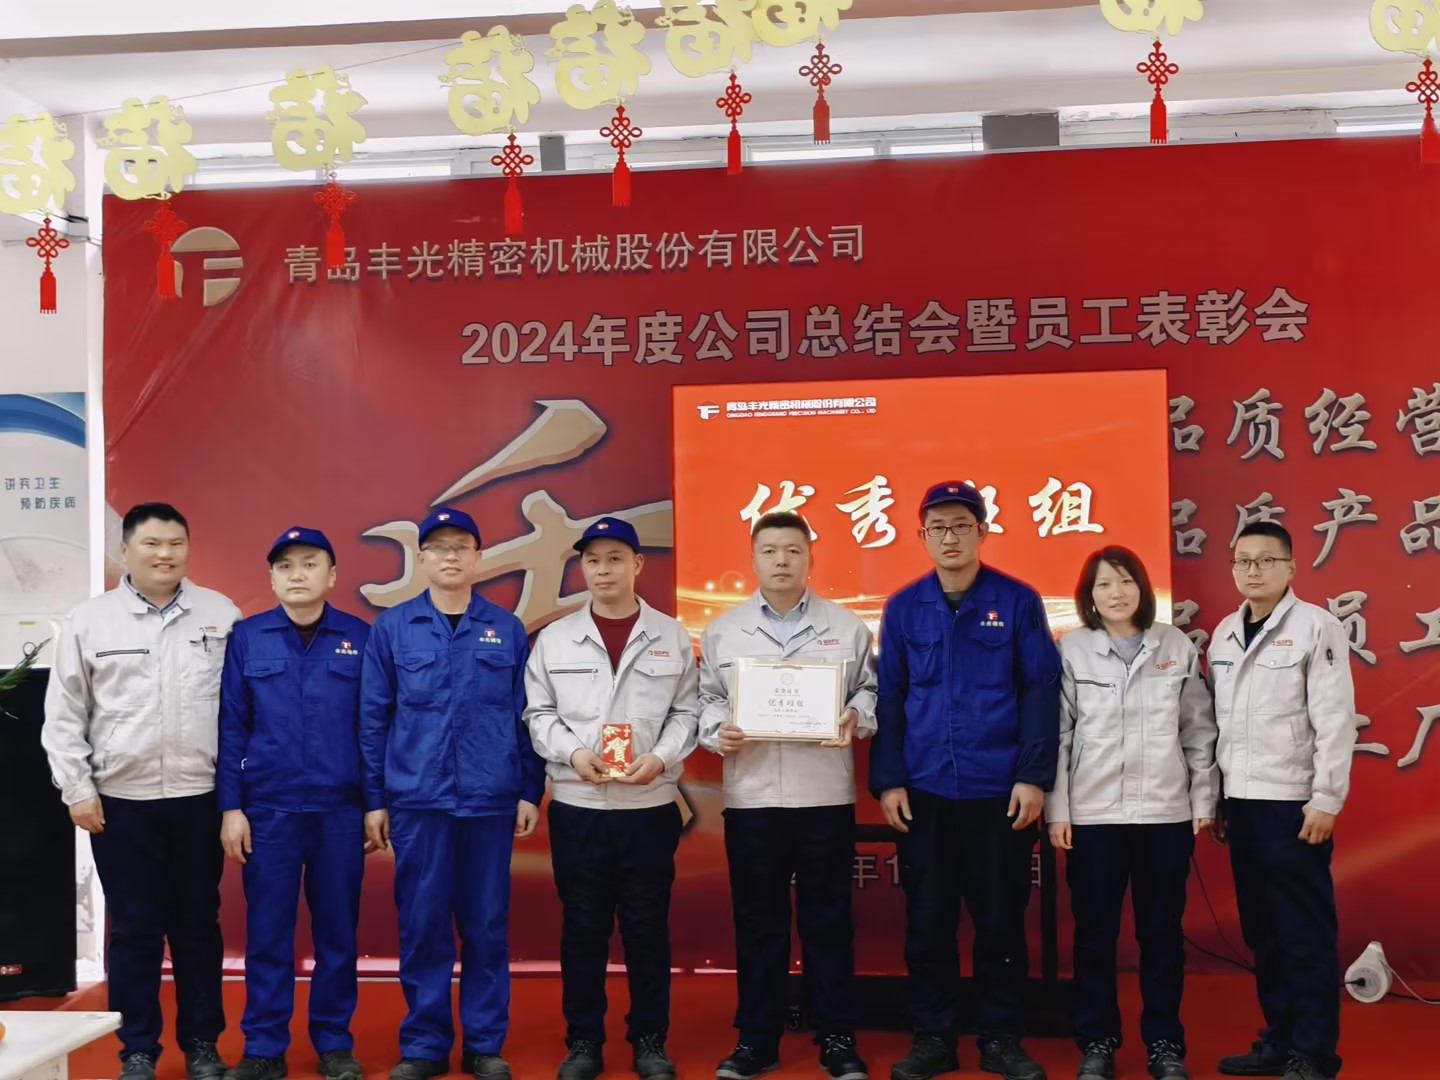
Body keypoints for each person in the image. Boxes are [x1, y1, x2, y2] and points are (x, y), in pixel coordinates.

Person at [42, 502, 240, 1080]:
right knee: (133, 929)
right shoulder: (90, 621)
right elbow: (64, 713)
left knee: (198, 925)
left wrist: (237, 797)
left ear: (189, 548)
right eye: (151, 543)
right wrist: (77, 789)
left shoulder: (221, 615)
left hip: (199, 797)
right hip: (120, 802)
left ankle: (202, 1044)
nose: (164, 554)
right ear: (125, 551)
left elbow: (242, 715)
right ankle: (137, 1049)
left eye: (176, 542)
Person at [872, 481, 1061, 1080]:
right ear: (921, 536)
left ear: (983, 531)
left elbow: (1040, 691)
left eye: (961, 525)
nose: (949, 537)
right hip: (925, 791)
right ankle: (934, 1037)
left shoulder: (1018, 600)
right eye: (938, 527)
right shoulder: (904, 607)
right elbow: (890, 696)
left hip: (998, 791)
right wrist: (889, 779)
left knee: (1000, 920)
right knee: (928, 921)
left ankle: (1001, 1038)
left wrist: (1033, 776)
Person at [359, 507, 545, 1080]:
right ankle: (424, 1044)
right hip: (418, 802)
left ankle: (485, 1044)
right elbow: (373, 719)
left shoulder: (506, 629)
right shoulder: (393, 628)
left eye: (461, 547)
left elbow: (526, 716)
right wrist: (375, 800)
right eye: (438, 548)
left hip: (490, 801)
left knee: (486, 926)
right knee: (423, 925)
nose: (450, 557)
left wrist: (530, 790)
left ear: (478, 558)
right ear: (421, 559)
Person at [698, 511, 876, 1080]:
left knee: (830, 921)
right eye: (770, 550)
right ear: (753, 559)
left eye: (793, 551)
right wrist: (716, 731)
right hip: (752, 799)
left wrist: (856, 715)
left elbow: (869, 690)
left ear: (809, 559)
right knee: (759, 923)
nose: (781, 560)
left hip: (824, 795)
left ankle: (837, 1037)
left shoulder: (846, 626)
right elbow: (706, 700)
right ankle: (757, 1039)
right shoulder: (723, 630)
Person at [523, 517, 699, 1080]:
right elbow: (538, 714)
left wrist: (662, 758)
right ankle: (583, 1041)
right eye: (593, 560)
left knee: (647, 928)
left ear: (637, 565)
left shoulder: (671, 635)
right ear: (582, 567)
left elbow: (687, 713)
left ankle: (650, 1039)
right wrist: (574, 754)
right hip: (579, 806)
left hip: (649, 807)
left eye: (615, 559)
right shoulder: (555, 639)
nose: (603, 570)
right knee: (583, 927)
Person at [1045, 547, 1218, 1080]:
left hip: (1164, 816)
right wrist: (1058, 810)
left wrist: (1203, 800)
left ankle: (1164, 1044)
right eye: (1103, 584)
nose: (1116, 593)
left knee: (1161, 936)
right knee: (1094, 936)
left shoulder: (1175, 645)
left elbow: (1198, 730)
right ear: (1089, 596)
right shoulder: (1072, 650)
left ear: (1142, 588)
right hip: (1093, 816)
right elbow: (1058, 735)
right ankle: (1097, 1041)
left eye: (1125, 582)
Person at [218, 527, 372, 1080]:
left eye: (310, 564)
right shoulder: (247, 638)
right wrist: (231, 807)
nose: (297, 574)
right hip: (269, 811)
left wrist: (374, 804)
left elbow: (373, 728)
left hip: (339, 812)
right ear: (271, 578)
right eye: (285, 566)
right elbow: (231, 726)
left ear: (332, 575)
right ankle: (264, 1047)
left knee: (338, 934)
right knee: (267, 934)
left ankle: (334, 1043)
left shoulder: (360, 637)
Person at [1208, 522, 1356, 1080]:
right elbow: (1220, 726)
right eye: (1242, 560)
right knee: (1262, 930)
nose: (1253, 570)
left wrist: (1326, 799)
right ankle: (1279, 1038)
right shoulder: (1225, 634)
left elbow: (1335, 720)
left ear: (1291, 567)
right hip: (1242, 803)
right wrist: (1219, 797)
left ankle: (1314, 1052)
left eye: (1265, 560)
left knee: (1303, 932)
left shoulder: (1316, 627)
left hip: (1293, 804)